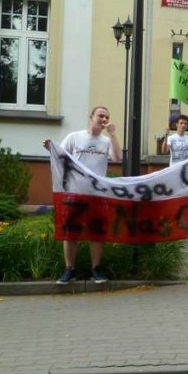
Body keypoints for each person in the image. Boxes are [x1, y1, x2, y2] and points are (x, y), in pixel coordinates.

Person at [44, 106, 122, 284]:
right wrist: (50, 147)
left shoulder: (106, 141)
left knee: (96, 232)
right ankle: (69, 269)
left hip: (97, 193)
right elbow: (61, 155)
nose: (103, 119)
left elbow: (117, 158)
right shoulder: (75, 137)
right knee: (71, 232)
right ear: (91, 117)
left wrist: (113, 135)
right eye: (100, 115)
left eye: (107, 117)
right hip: (75, 192)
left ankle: (96, 269)